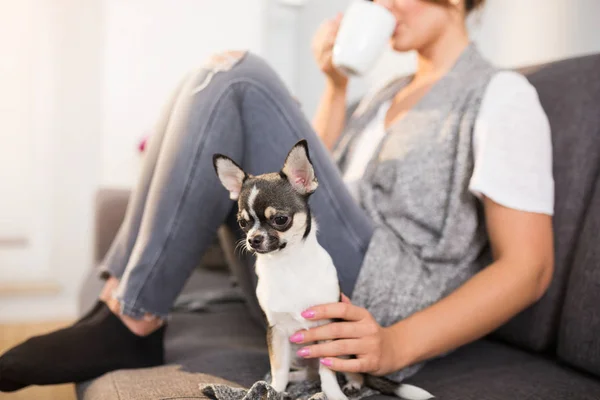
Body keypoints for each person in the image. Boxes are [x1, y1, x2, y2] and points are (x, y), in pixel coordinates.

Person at [0, 0, 554, 392]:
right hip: (301, 268)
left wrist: (396, 344)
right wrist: (335, 86)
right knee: (206, 78)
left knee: (238, 78)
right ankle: (118, 303)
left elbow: (529, 268)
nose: (381, 7)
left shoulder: (501, 95)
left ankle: (132, 323)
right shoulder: (384, 93)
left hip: (377, 297)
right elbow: (305, 188)